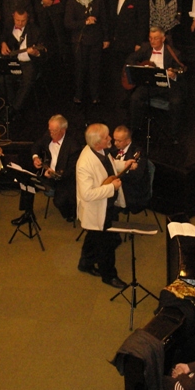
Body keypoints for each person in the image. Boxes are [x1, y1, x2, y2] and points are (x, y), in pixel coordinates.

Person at [76, 123, 125, 288]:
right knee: (106, 244)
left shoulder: (101, 150)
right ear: (97, 143)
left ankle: (85, 263)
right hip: (97, 209)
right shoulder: (84, 164)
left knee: (93, 236)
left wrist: (126, 164)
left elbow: (110, 165)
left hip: (106, 205)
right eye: (106, 137)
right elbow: (87, 194)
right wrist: (112, 188)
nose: (110, 138)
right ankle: (109, 276)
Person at [127, 26, 186, 142]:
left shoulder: (174, 52)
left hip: (167, 85)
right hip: (149, 84)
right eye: (150, 38)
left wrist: (173, 75)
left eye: (155, 38)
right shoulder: (145, 47)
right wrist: (142, 67)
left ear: (163, 39)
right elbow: (130, 59)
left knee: (176, 101)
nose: (152, 41)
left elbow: (181, 71)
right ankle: (135, 130)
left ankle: (173, 134)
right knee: (135, 98)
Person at [64, 0, 109, 104]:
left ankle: (95, 95)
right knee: (80, 69)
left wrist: (106, 38)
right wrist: (85, 22)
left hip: (95, 40)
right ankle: (78, 95)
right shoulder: (72, 2)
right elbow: (68, 23)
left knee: (95, 68)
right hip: (79, 41)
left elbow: (104, 20)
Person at [26, 115, 80, 222]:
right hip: (48, 175)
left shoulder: (73, 146)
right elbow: (36, 145)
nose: (51, 133)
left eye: (54, 131)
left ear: (63, 130)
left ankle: (71, 212)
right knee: (26, 182)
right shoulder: (48, 136)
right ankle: (27, 213)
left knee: (59, 202)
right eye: (49, 130)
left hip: (63, 179)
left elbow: (71, 171)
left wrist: (54, 174)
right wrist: (35, 157)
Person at [0, 10, 45, 118]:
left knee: (27, 81)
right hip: (14, 61)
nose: (20, 23)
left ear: (27, 18)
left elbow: (43, 52)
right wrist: (3, 43)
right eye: (17, 20)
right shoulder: (8, 26)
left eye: (23, 21)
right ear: (13, 17)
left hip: (28, 62)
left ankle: (14, 109)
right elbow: (2, 37)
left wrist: (36, 53)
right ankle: (12, 104)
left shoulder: (35, 30)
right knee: (3, 80)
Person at [111, 126, 149, 214]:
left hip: (132, 189)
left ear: (128, 141)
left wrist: (118, 176)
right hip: (120, 184)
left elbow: (136, 176)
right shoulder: (113, 150)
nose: (115, 143)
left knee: (107, 200)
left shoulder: (138, 153)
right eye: (115, 140)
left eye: (119, 141)